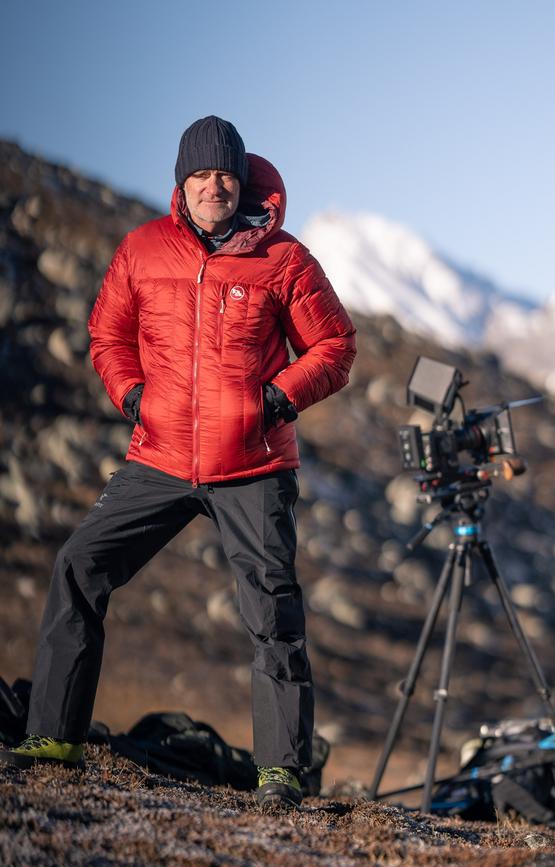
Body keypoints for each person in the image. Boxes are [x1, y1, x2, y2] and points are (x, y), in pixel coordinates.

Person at [0, 116, 357, 809]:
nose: (213, 186)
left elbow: (335, 345)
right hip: (160, 456)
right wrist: (131, 394)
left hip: (252, 464)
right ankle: (53, 736)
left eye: (224, 174)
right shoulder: (140, 249)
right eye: (200, 175)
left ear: (241, 179)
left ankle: (281, 771)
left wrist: (278, 401)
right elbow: (107, 331)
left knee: (272, 612)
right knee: (79, 564)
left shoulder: (284, 260)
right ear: (181, 183)